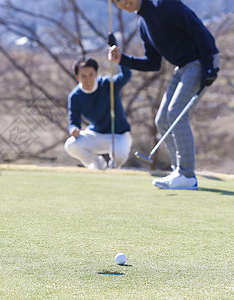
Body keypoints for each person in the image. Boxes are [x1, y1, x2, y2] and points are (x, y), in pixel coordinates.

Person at [109, 0, 220, 190]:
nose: (123, 2)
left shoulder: (162, 4)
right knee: (162, 120)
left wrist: (209, 66)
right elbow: (153, 63)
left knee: (176, 114)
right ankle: (179, 172)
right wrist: (123, 60)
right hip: (183, 67)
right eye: (117, 1)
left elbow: (197, 28)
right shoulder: (143, 24)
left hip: (200, 61)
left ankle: (187, 175)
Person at [64, 57, 132, 170]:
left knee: (120, 156)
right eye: (83, 76)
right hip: (96, 134)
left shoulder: (107, 84)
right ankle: (97, 165)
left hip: (119, 135)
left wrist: (119, 59)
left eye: (91, 74)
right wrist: (73, 129)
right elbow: (74, 121)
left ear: (96, 74)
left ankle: (113, 168)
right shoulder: (75, 96)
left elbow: (126, 76)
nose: (88, 79)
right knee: (71, 145)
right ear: (77, 78)